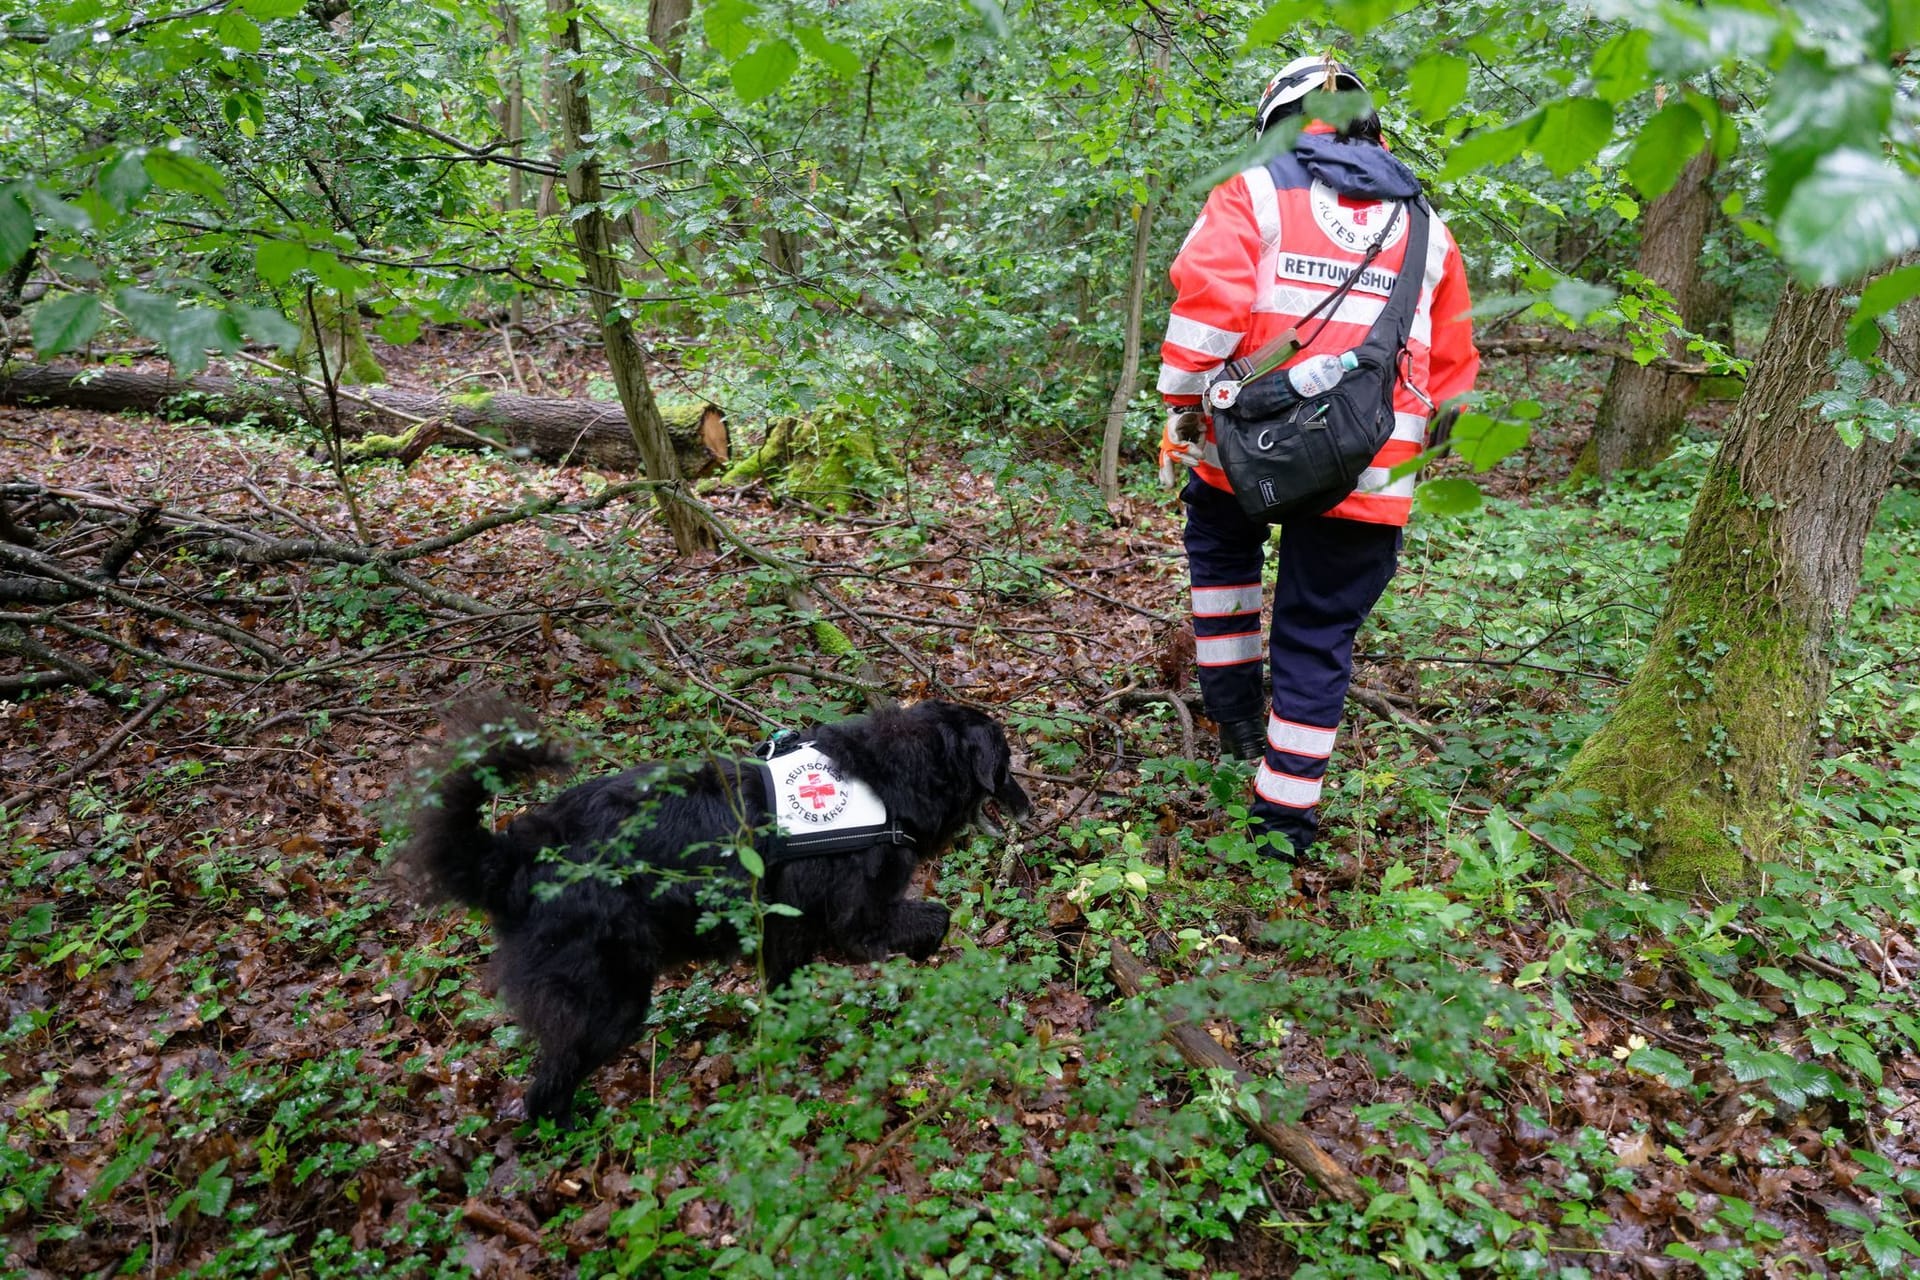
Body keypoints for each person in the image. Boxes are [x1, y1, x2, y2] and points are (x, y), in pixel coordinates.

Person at [1156, 55, 1479, 859]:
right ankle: (1281, 830)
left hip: (1247, 450)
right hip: (1369, 470)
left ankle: (1233, 716)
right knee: (1318, 636)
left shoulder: (1253, 191)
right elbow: (1454, 375)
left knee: (1222, 554)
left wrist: (1182, 410)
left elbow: (1207, 312)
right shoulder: (1429, 227)